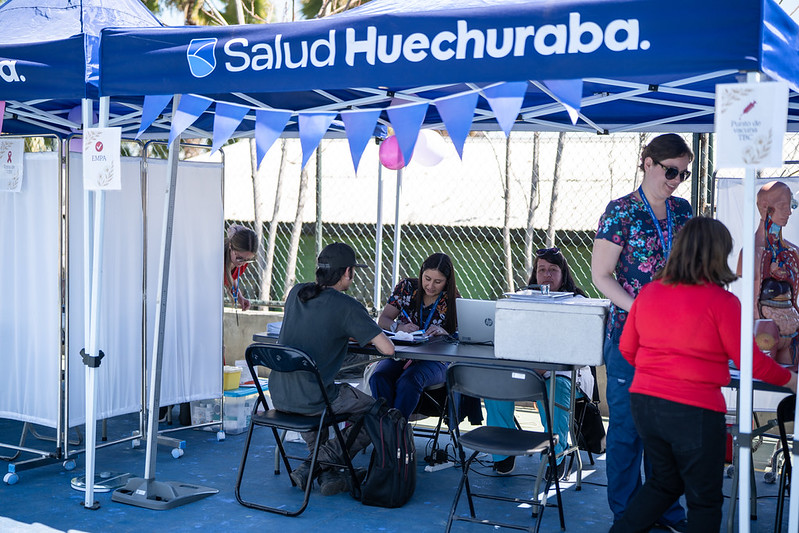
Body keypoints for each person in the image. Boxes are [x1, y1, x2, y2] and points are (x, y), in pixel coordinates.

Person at [610, 217, 798, 533]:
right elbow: (751, 363)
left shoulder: (650, 293)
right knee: (704, 500)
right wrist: (792, 380)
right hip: (694, 411)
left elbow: (628, 350)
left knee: (664, 482)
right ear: (715, 255)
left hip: (645, 404)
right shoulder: (722, 302)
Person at [592, 133, 694, 531]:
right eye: (671, 170)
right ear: (648, 163)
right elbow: (601, 276)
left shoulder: (683, 212)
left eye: (683, 174)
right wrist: (643, 309)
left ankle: (666, 511)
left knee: (666, 432)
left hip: (676, 341)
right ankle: (628, 514)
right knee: (627, 431)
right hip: (630, 339)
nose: (676, 180)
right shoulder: (620, 212)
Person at [270, 242, 395, 496]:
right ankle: (314, 465)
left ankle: (329, 475)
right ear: (347, 272)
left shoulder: (296, 292)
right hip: (314, 399)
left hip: (279, 394)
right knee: (377, 412)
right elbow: (388, 350)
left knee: (319, 396)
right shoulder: (347, 306)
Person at [484, 247, 595, 476]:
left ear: (563, 274)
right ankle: (503, 453)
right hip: (527, 371)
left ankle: (557, 456)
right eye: (541, 269)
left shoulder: (578, 301)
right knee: (495, 387)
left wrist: (543, 368)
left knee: (554, 389)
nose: (546, 275)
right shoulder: (522, 299)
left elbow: (581, 348)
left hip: (566, 373)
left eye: (553, 270)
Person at [370, 252, 459, 419]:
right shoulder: (406, 287)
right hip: (401, 354)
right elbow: (384, 320)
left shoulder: (453, 300)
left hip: (434, 360)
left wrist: (445, 333)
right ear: (421, 273)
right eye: (427, 278)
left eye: (438, 282)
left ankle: (395, 432)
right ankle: (386, 431)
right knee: (378, 377)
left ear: (447, 281)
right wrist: (399, 326)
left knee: (410, 381)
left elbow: (461, 337)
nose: (430, 286)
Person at [737, 180, 799, 368]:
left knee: (793, 380)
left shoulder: (793, 252)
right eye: (783, 206)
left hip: (792, 327)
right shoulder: (751, 252)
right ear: (765, 208)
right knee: (761, 373)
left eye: (791, 205)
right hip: (764, 330)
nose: (788, 212)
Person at [224, 224, 258, 312]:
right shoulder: (218, 262)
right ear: (231, 246)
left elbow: (231, 277)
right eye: (239, 258)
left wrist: (239, 297)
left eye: (248, 260)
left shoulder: (242, 262)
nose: (242, 263)